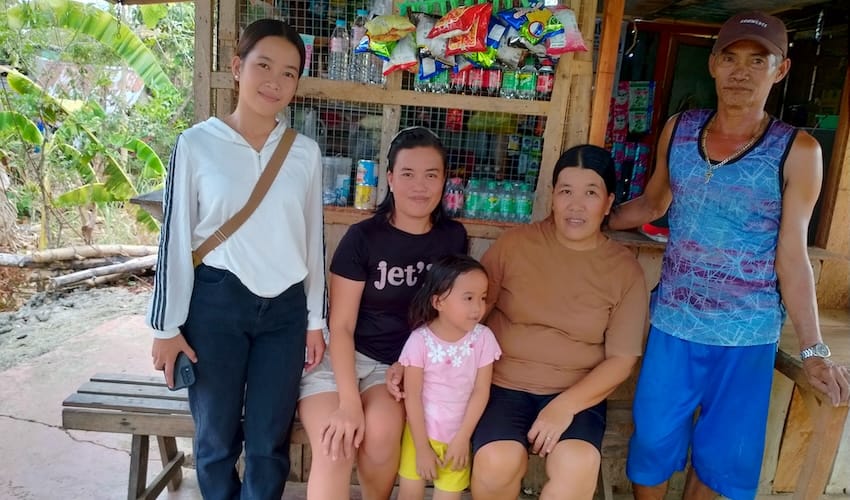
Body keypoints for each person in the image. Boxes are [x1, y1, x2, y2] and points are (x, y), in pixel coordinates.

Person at [607, 11, 850, 500]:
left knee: (722, 458)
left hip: (748, 336)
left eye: (758, 60)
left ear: (780, 70)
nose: (742, 71)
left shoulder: (798, 150)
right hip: (674, 323)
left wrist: (814, 349)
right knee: (652, 443)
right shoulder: (679, 129)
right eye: (731, 58)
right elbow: (655, 203)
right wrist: (591, 217)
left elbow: (792, 254)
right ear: (714, 64)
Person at [147, 19, 327, 500]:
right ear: (236, 68)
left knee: (269, 441)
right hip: (216, 307)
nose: (275, 81)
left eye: (289, 73)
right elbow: (175, 239)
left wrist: (315, 321)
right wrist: (166, 329)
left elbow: (313, 242)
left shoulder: (304, 154)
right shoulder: (196, 144)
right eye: (263, 65)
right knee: (215, 439)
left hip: (285, 314)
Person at [298, 127, 468, 499]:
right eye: (407, 174)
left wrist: (412, 363)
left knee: (382, 435)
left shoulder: (452, 239)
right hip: (338, 359)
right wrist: (347, 402)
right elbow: (340, 326)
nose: (419, 186)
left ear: (444, 182)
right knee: (336, 444)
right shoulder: (362, 238)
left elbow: (450, 317)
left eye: (431, 175)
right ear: (389, 178)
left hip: (394, 368)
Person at [470, 145, 649, 500]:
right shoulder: (514, 246)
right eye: (566, 191)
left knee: (577, 465)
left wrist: (563, 407)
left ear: (609, 202)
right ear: (552, 197)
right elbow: (470, 316)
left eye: (591, 193)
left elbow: (622, 359)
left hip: (577, 393)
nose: (576, 205)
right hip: (503, 385)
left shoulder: (624, 269)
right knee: (496, 461)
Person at [398, 254, 501, 500]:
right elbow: (411, 396)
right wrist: (422, 448)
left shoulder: (483, 339)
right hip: (419, 435)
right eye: (468, 298)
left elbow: (480, 391)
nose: (478, 307)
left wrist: (463, 438)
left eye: (483, 298)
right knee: (409, 495)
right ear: (438, 302)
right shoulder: (419, 341)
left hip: (458, 437)